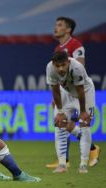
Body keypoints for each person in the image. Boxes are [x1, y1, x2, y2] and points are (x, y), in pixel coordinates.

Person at [46, 16, 100, 170]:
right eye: (55, 24)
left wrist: (82, 109)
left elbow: (79, 72)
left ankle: (88, 152)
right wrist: (56, 99)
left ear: (68, 29)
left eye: (59, 25)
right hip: (66, 89)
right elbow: (56, 79)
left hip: (80, 88)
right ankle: (65, 161)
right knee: (58, 121)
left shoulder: (76, 45)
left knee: (84, 123)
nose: (55, 28)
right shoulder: (58, 50)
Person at [46, 51, 95, 173]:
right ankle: (62, 164)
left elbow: (80, 91)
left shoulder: (77, 67)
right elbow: (55, 90)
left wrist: (83, 111)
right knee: (59, 124)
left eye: (63, 65)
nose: (61, 68)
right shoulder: (50, 68)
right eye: (58, 66)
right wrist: (60, 111)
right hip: (66, 92)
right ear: (53, 64)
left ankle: (83, 164)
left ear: (68, 62)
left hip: (85, 92)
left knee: (84, 124)